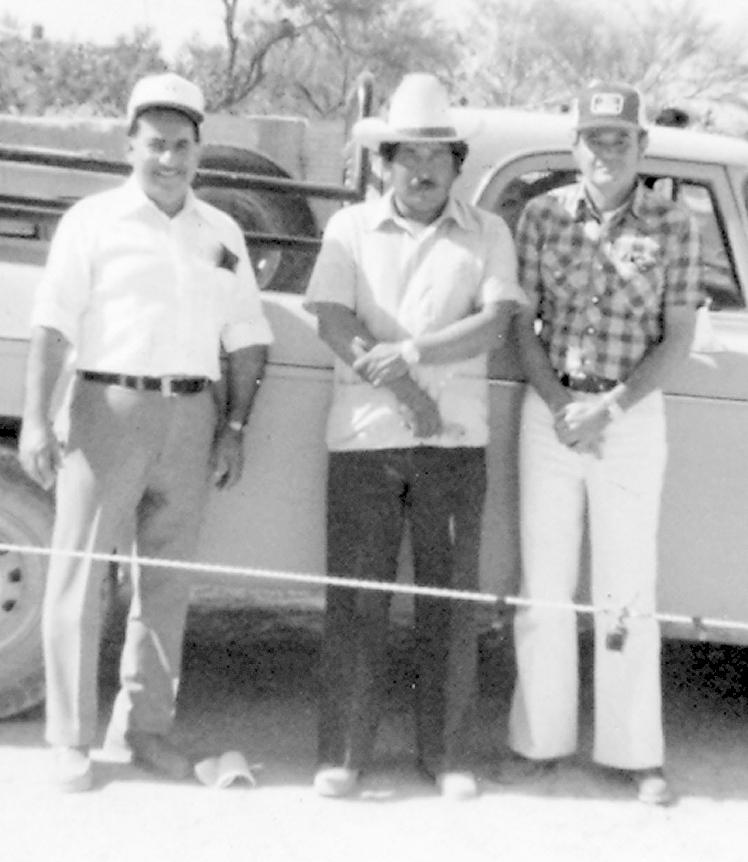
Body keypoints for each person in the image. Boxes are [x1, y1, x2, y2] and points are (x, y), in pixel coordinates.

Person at [19, 72, 273, 792]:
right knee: (79, 576)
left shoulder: (221, 232)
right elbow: (54, 324)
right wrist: (38, 417)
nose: (169, 159)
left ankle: (146, 730)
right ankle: (70, 740)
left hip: (192, 413)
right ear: (129, 145)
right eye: (155, 144)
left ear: (201, 151)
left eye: (183, 146)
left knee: (166, 584)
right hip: (108, 408)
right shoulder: (94, 223)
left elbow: (247, 333)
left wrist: (234, 425)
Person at [304, 73, 525, 801]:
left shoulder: (488, 231)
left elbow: (495, 323)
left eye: (439, 157)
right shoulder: (349, 229)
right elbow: (333, 320)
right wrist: (403, 391)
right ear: (382, 161)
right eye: (407, 156)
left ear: (457, 165)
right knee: (358, 601)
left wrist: (413, 355)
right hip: (366, 439)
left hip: (456, 444)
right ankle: (342, 754)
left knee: (451, 604)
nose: (423, 170)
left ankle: (449, 755)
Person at [506, 81, 702, 805]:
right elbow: (521, 323)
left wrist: (609, 407)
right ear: (574, 146)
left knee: (626, 587)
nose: (606, 151)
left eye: (620, 138)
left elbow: (678, 335)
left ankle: (632, 753)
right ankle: (539, 742)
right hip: (550, 409)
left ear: (642, 146)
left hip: (630, 416)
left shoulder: (674, 224)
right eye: (594, 137)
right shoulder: (541, 216)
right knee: (545, 584)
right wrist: (560, 404)